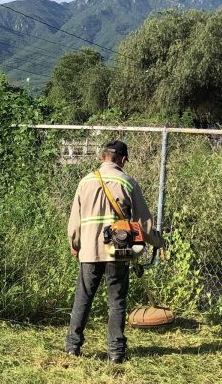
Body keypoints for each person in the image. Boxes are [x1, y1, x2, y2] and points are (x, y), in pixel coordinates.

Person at [65, 140, 157, 364]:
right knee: (117, 301)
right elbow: (143, 224)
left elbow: (74, 223)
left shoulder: (85, 182)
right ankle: (115, 353)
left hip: (88, 249)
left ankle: (72, 347)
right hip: (118, 251)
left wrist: (75, 244)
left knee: (83, 297)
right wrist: (157, 241)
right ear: (123, 159)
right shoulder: (127, 182)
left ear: (102, 157)